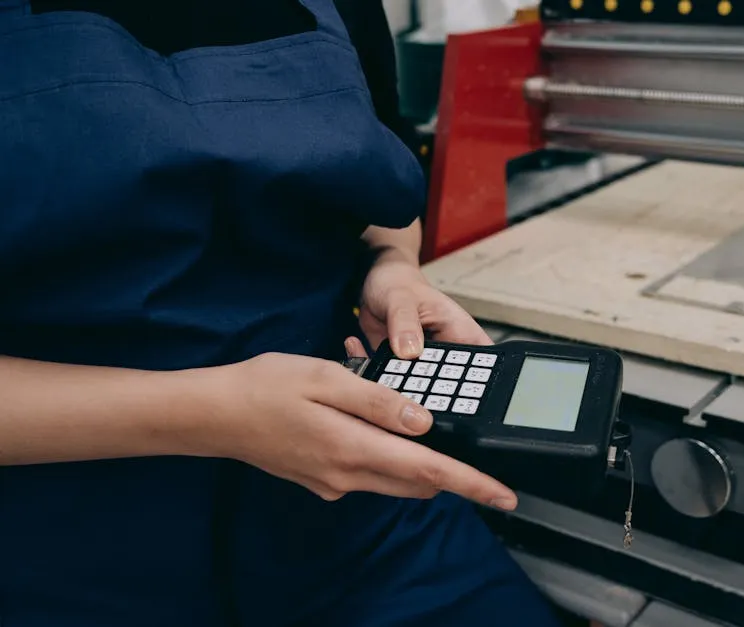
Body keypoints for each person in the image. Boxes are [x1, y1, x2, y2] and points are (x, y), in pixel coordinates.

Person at [0, 1, 565, 626]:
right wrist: (209, 414)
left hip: (360, 510)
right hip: (64, 550)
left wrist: (391, 265)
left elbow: (382, 179)